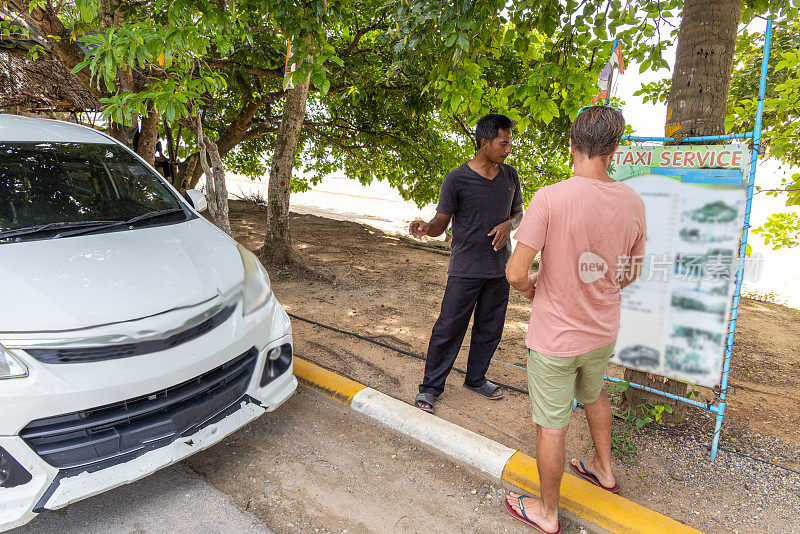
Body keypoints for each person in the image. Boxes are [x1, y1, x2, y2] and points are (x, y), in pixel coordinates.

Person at [503, 106, 646, 534]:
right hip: (602, 331)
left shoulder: (551, 197)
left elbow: (514, 272)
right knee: (594, 393)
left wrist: (533, 286)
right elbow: (631, 273)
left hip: (556, 339)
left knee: (551, 425)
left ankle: (548, 513)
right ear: (614, 150)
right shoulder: (633, 201)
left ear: (571, 145)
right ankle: (604, 470)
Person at [409, 113, 524, 413]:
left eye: (510, 143)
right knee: (448, 329)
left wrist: (509, 226)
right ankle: (430, 388)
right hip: (465, 269)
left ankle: (475, 379)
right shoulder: (456, 178)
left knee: (490, 328)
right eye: (503, 143)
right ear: (484, 143)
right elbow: (439, 223)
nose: (508, 149)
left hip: (499, 269)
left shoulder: (511, 176)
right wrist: (426, 229)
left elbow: (519, 213)